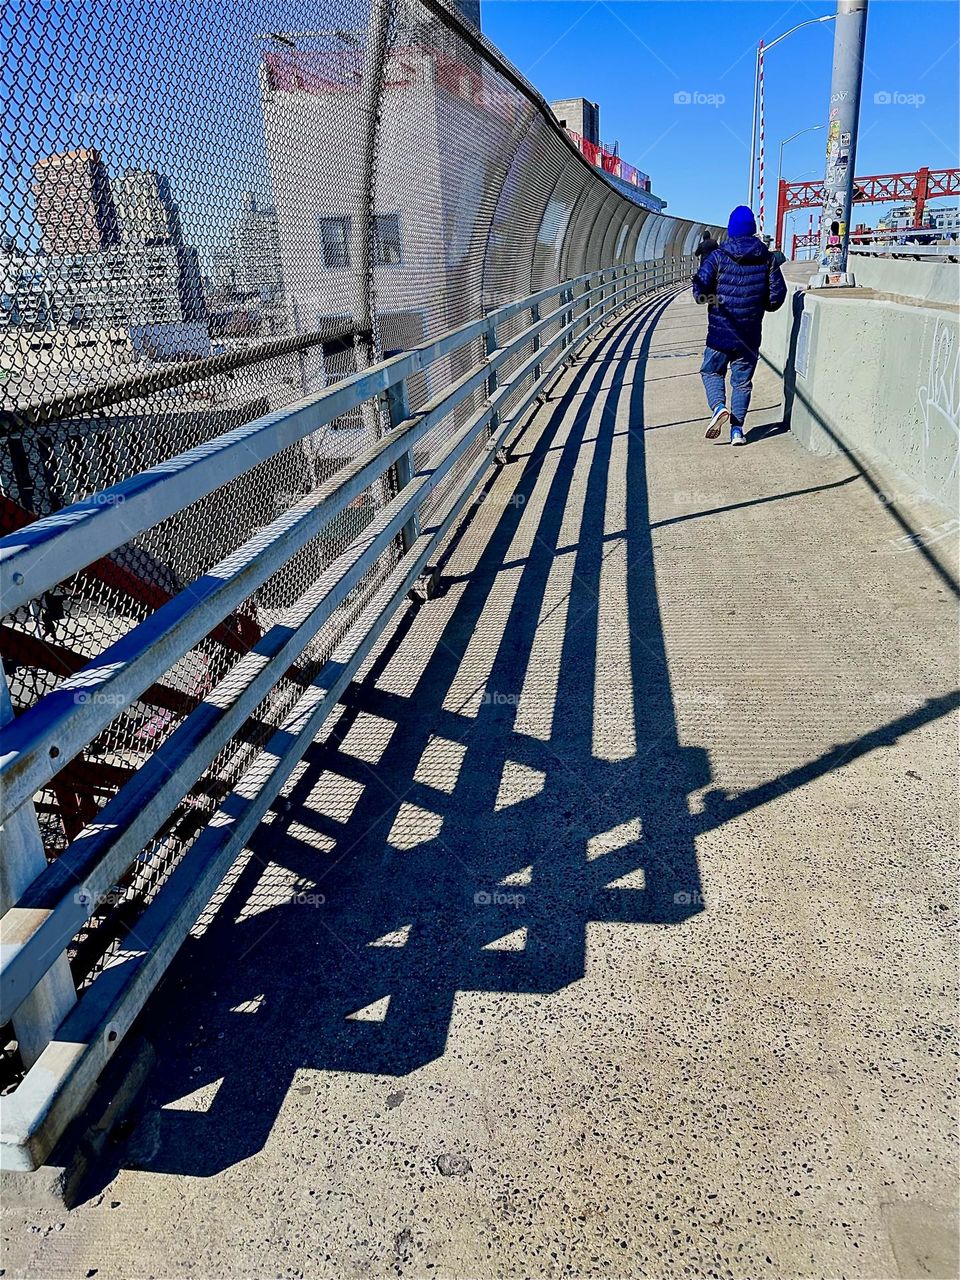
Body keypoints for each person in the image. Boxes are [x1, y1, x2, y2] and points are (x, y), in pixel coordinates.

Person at [692, 205, 786, 447]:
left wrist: (715, 300)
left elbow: (699, 292)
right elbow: (777, 297)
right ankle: (737, 431)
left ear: (731, 230)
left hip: (720, 333)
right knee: (742, 382)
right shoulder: (767, 258)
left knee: (711, 371)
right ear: (753, 230)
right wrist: (757, 305)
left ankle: (719, 407)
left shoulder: (717, 257)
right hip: (750, 333)